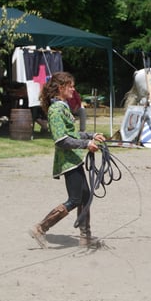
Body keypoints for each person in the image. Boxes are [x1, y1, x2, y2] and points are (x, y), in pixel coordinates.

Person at [29, 72, 106, 249]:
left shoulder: (62, 107)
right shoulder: (56, 110)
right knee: (75, 199)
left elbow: (72, 134)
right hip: (67, 161)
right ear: (60, 88)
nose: (73, 89)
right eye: (70, 86)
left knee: (85, 196)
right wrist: (86, 144)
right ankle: (40, 228)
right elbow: (61, 140)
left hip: (74, 159)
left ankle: (85, 237)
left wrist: (92, 136)